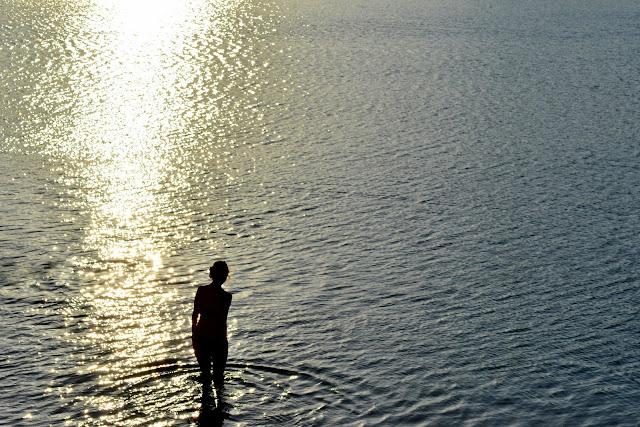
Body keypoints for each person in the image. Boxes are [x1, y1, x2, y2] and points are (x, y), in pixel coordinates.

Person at [192, 260, 232, 386]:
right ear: (225, 276)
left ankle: (205, 404)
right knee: (219, 380)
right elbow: (221, 321)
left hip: (201, 337)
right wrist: (224, 343)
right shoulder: (226, 297)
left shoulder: (201, 291)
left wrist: (194, 335)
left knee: (205, 378)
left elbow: (195, 315)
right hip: (218, 339)